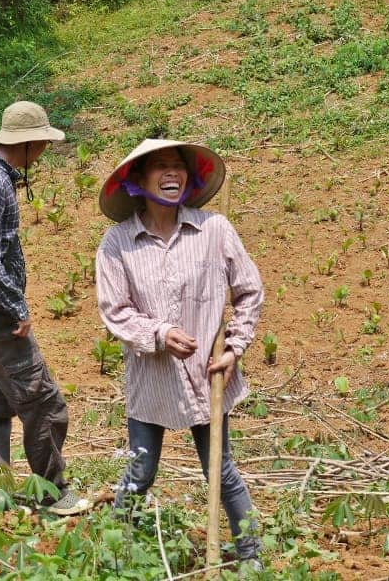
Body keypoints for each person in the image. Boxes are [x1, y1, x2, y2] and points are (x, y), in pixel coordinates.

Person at [95, 139, 263, 568]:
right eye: (161, 167)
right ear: (137, 180)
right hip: (152, 381)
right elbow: (115, 312)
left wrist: (236, 348)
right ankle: (115, 556)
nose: (172, 174)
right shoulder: (118, 243)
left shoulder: (215, 230)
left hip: (208, 377)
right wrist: (160, 332)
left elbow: (249, 291)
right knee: (141, 472)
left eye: (178, 167)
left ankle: (251, 556)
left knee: (220, 471)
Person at [0, 101, 86, 516]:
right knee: (43, 403)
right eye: (43, 143)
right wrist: (17, 307)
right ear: (28, 144)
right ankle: (54, 493)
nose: (46, 150)